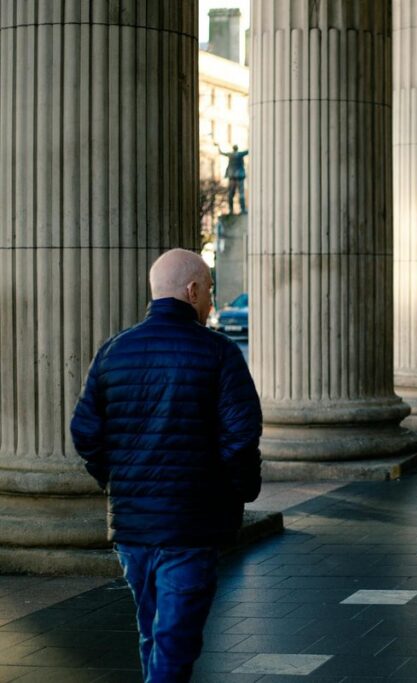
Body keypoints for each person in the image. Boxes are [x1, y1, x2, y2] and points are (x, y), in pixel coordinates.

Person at [70, 249, 262, 682]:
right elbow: (241, 436)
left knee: (152, 633)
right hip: (190, 525)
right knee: (176, 642)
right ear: (192, 291)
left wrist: (116, 479)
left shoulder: (114, 351)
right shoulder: (219, 353)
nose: (211, 301)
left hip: (133, 526)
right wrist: (240, 491)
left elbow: (84, 431)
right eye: (210, 291)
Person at [219, 144, 249, 214]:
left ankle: (231, 210)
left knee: (230, 194)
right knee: (241, 193)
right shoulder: (240, 154)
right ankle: (243, 209)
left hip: (232, 176)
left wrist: (218, 146)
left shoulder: (230, 154)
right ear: (237, 148)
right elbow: (248, 151)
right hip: (239, 176)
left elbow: (221, 153)